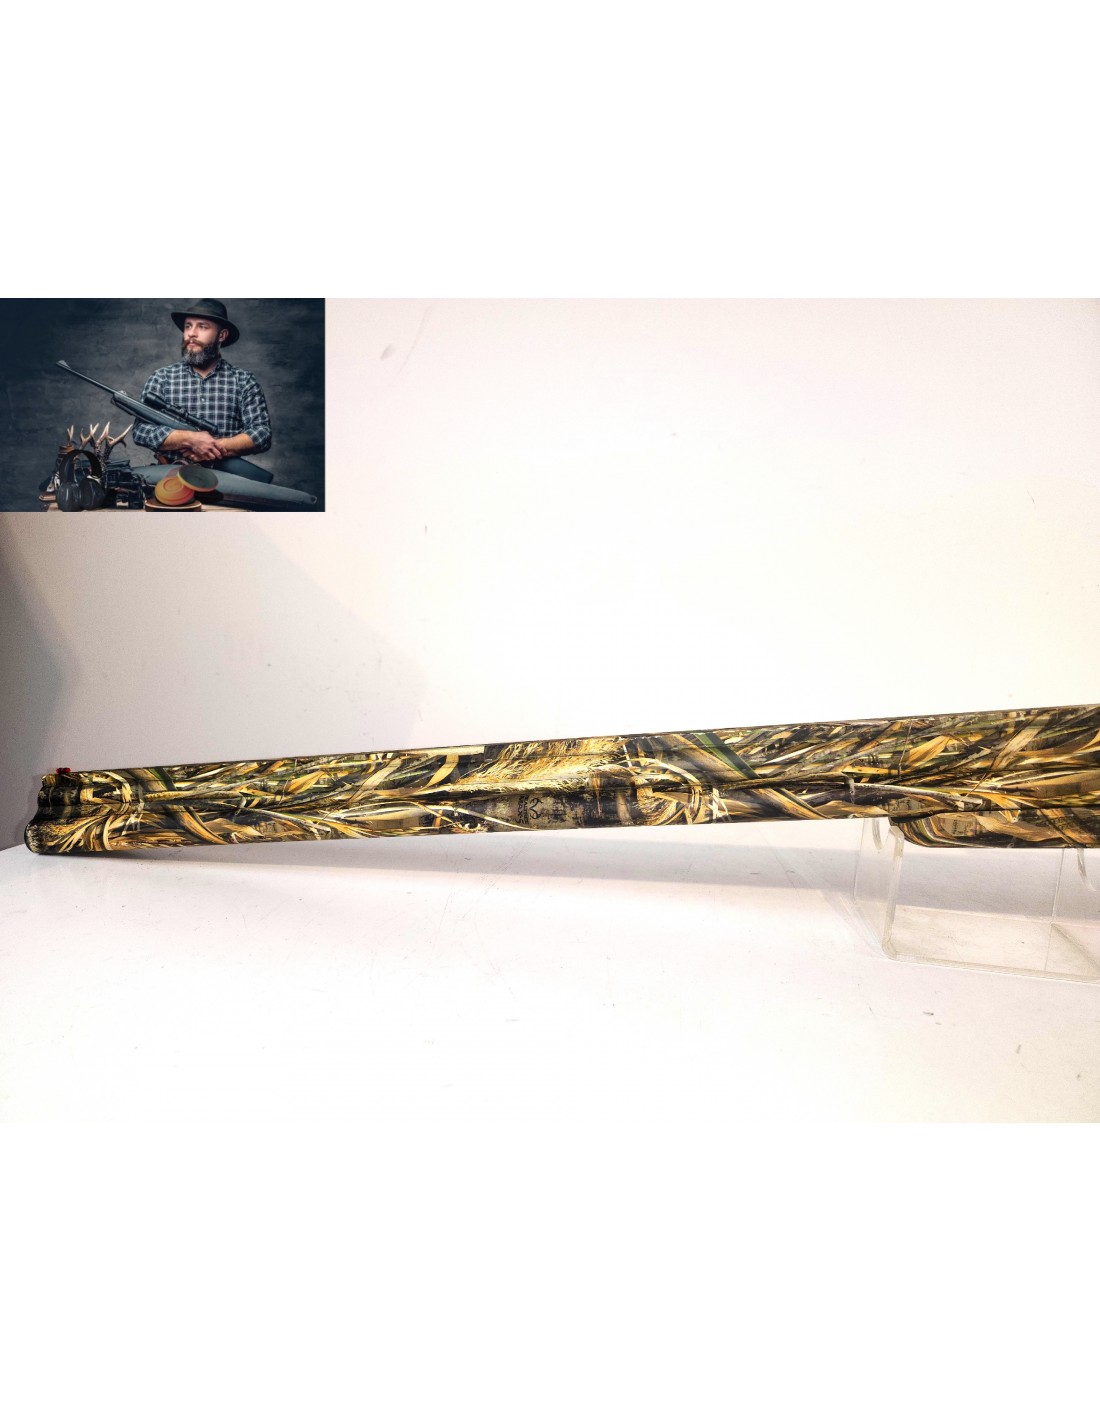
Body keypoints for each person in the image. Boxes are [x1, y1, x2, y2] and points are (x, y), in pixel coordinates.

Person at [132, 300, 272, 465]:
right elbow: (140, 431)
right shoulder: (161, 378)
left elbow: (262, 434)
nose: (192, 333)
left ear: (222, 335)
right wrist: (188, 439)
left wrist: (213, 447)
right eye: (188, 326)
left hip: (225, 478)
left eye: (203, 327)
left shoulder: (244, 381)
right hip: (171, 475)